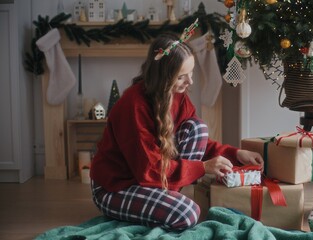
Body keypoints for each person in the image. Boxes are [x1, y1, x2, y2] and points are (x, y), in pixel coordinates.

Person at [89, 31, 263, 230]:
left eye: (191, 73)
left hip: (149, 179)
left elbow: (199, 139)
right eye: (181, 77)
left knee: (197, 128)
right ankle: (160, 206)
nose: (190, 82)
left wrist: (235, 154)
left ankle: (162, 202)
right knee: (188, 214)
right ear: (163, 76)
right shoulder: (133, 105)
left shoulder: (177, 94)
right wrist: (203, 168)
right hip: (115, 187)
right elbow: (149, 170)